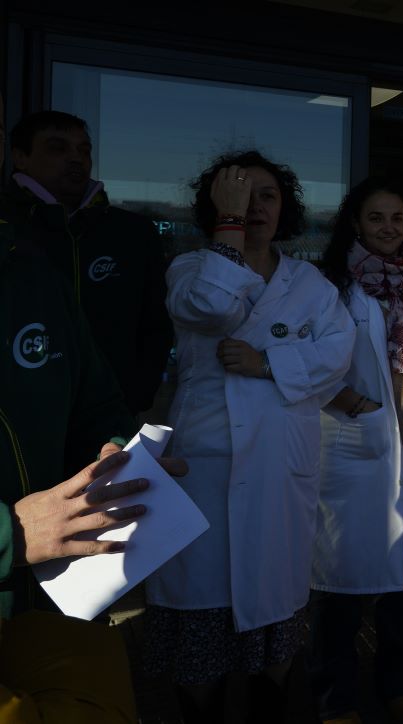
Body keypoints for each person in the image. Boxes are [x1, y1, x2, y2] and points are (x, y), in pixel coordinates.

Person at [144, 150, 355, 722]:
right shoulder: (190, 269)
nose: (254, 206)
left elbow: (338, 356)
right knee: (203, 626)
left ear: (285, 208)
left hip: (279, 468)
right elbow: (210, 309)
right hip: (206, 466)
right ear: (216, 204)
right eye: (239, 194)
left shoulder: (310, 284)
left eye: (266, 195)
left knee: (275, 628)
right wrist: (228, 227)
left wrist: (268, 363)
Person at [0, 94, 183, 724]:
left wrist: (118, 450)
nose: (77, 162)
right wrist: (10, 536)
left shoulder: (26, 265)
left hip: (63, 594)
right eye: (56, 148)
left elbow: (95, 394)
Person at [309, 178, 403, 724]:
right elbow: (309, 359)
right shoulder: (331, 287)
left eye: (397, 218)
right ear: (356, 223)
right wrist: (346, 399)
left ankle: (399, 685)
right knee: (340, 587)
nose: (388, 228)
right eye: (377, 219)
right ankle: (335, 697)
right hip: (352, 447)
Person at [0, 111, 173, 416]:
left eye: (84, 149)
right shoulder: (6, 227)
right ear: (20, 157)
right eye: (58, 148)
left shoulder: (132, 232)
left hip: (111, 422)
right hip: (20, 426)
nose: (76, 158)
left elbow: (157, 325)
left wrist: (135, 395)